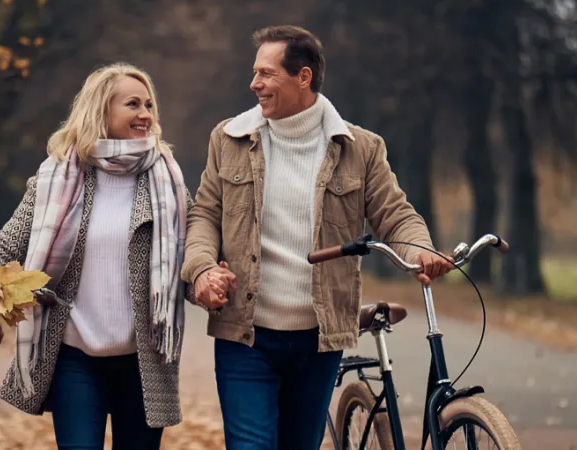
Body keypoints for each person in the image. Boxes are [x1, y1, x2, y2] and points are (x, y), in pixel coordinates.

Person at [180, 25, 453, 450]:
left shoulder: (360, 148)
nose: (254, 84)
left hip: (319, 339)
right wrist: (199, 269)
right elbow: (204, 216)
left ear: (303, 77)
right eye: (255, 73)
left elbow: (395, 215)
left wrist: (418, 249)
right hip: (245, 336)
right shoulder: (229, 138)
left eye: (266, 74)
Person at [0, 63, 191, 449]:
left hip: (143, 361)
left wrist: (210, 273)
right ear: (101, 110)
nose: (145, 115)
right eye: (132, 104)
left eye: (149, 105)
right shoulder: (57, 179)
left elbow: (196, 241)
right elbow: (7, 244)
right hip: (74, 357)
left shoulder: (167, 182)